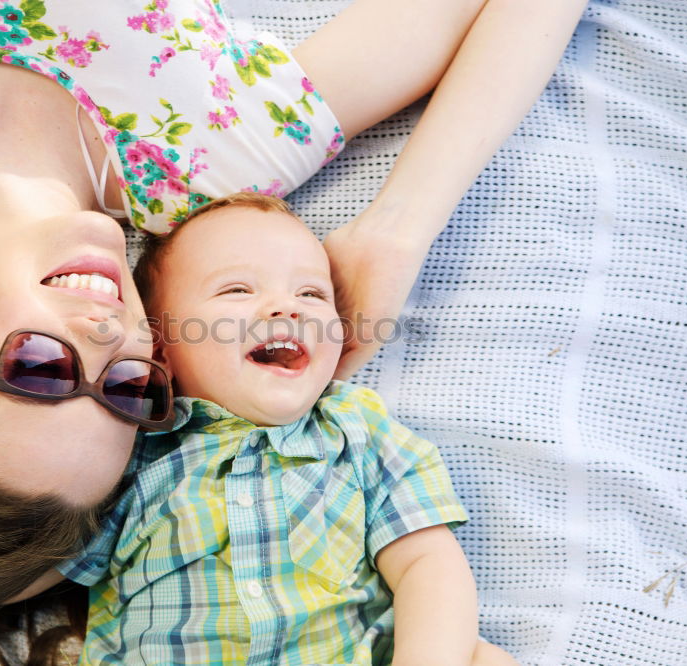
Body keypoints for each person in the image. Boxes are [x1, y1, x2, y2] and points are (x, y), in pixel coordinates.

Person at [0, 0, 588, 663]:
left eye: (40, 371)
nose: (108, 333)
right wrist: (395, 231)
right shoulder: (215, 149)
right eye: (127, 390)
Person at [50, 192, 519, 665]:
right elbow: (38, 552)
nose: (286, 307)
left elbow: (428, 565)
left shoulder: (358, 432)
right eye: (237, 289)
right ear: (161, 349)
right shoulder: (134, 447)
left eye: (311, 294)